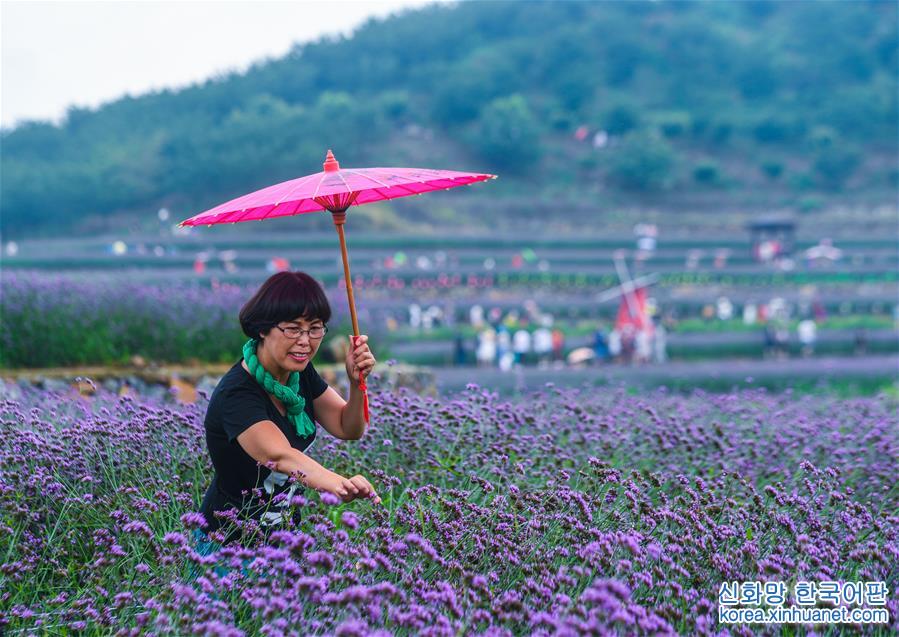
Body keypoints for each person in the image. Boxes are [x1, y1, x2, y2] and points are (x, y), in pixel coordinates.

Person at [197, 271, 380, 549]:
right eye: (293, 329)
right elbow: (279, 456)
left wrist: (356, 384)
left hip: (283, 544)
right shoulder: (237, 394)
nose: (305, 341)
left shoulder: (299, 374)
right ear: (263, 328)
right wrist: (340, 485)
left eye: (315, 328)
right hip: (226, 547)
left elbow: (348, 426)